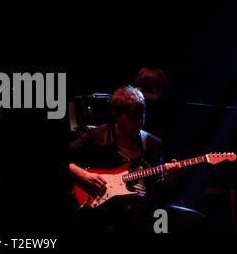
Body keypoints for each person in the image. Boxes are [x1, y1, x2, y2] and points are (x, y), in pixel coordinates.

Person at [69, 85, 182, 233]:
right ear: (116, 115)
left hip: (144, 206)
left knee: (193, 219)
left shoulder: (153, 143)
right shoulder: (96, 136)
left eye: (141, 117)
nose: (138, 123)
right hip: (106, 205)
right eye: (132, 119)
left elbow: (157, 192)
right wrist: (81, 174)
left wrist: (167, 179)